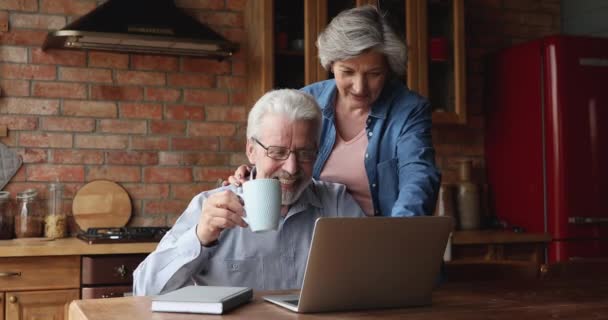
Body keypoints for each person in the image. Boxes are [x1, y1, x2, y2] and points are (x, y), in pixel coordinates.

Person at [133, 89, 365, 296]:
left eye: (305, 153)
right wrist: (200, 236)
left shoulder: (336, 203)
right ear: (252, 151)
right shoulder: (210, 206)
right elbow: (145, 290)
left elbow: (378, 278)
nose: (292, 168)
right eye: (277, 152)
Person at [229, 5, 440, 217]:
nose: (360, 87)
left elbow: (418, 177)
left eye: (374, 74)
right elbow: (280, 161)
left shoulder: (408, 109)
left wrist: (402, 236)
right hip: (308, 234)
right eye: (348, 72)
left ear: (388, 69)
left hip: (379, 239)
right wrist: (252, 175)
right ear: (331, 64)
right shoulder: (305, 102)